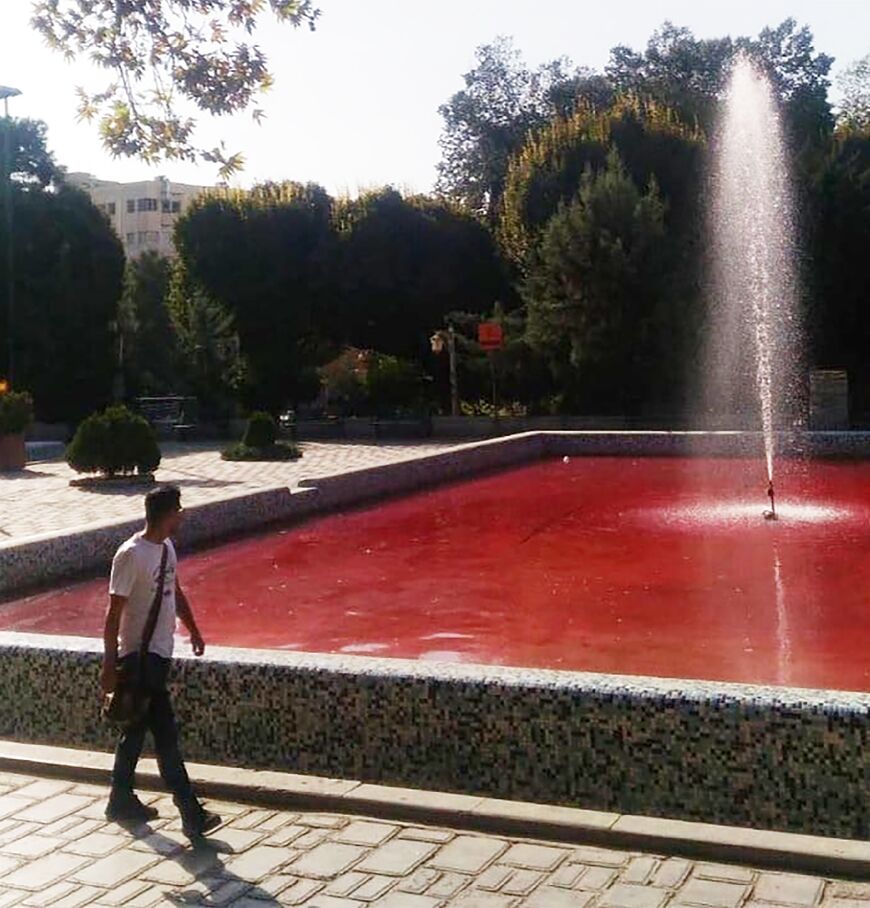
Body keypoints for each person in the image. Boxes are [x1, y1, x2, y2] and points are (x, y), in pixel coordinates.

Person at [101, 484, 221, 839]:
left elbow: (174, 590)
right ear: (166, 514)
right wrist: (110, 666)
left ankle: (120, 799)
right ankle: (190, 811)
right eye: (179, 510)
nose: (183, 515)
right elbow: (112, 615)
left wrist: (193, 630)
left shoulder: (167, 548)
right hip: (140, 659)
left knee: (135, 731)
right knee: (166, 734)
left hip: (161, 653)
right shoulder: (130, 555)